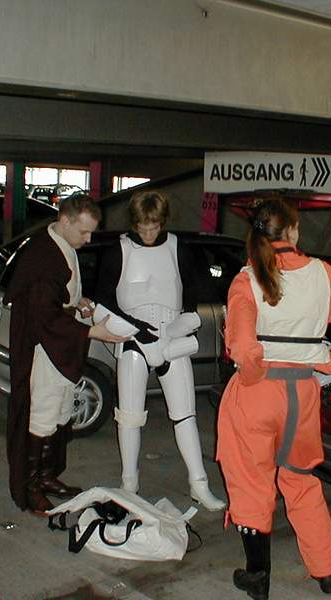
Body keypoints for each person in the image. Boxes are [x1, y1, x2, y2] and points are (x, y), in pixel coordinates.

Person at [217, 197, 331, 598]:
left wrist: (254, 378)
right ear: (293, 231)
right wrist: (329, 363)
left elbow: (242, 348)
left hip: (257, 394)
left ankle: (258, 577)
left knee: (251, 484)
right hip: (302, 394)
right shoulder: (323, 273)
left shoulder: (246, 279)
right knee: (301, 480)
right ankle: (326, 572)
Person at [95, 190, 225, 511]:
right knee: (129, 417)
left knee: (185, 414)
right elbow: (104, 299)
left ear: (162, 221)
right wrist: (139, 332)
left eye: (154, 226)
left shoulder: (179, 248)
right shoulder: (118, 250)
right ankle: (129, 484)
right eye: (142, 226)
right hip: (133, 339)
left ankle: (199, 483)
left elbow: (194, 293)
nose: (148, 232)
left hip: (171, 337)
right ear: (134, 223)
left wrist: (180, 327)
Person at [4, 194, 129, 516]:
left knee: (60, 411)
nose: (88, 240)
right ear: (64, 220)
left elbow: (58, 295)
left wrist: (77, 301)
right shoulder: (43, 256)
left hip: (57, 342)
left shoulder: (61, 245)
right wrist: (92, 332)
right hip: (44, 346)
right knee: (43, 414)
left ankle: (46, 477)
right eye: (84, 232)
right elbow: (43, 315)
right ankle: (31, 487)